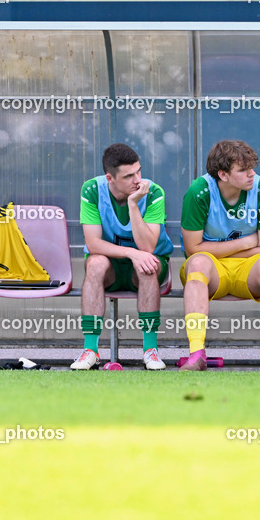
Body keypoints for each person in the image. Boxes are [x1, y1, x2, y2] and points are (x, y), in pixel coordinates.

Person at [179, 140, 260, 372]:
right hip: (212, 269)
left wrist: (214, 247)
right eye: (243, 170)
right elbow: (192, 249)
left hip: (247, 269)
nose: (252, 174)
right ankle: (196, 354)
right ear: (223, 174)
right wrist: (247, 241)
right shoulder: (199, 191)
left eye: (252, 167)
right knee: (197, 263)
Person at [73, 143, 174, 370]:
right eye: (129, 176)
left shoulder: (154, 192)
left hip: (147, 267)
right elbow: (93, 243)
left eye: (139, 171)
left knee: (146, 264)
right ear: (110, 178)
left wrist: (133, 204)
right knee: (95, 263)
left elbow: (148, 246)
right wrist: (131, 253)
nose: (138, 180)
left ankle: (150, 350)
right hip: (111, 267)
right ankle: (90, 349)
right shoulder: (91, 190)